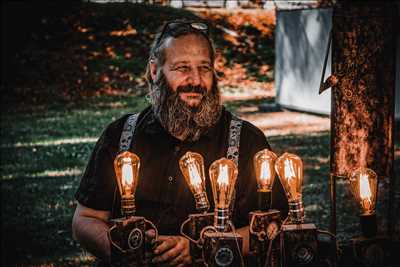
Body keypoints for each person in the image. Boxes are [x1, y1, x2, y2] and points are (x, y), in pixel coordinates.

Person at [72, 19, 288, 266]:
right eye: (182, 67)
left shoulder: (247, 142)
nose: (195, 80)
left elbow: (274, 226)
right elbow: (85, 219)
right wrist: (127, 252)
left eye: (204, 68)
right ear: (155, 71)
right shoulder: (121, 136)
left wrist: (203, 249)